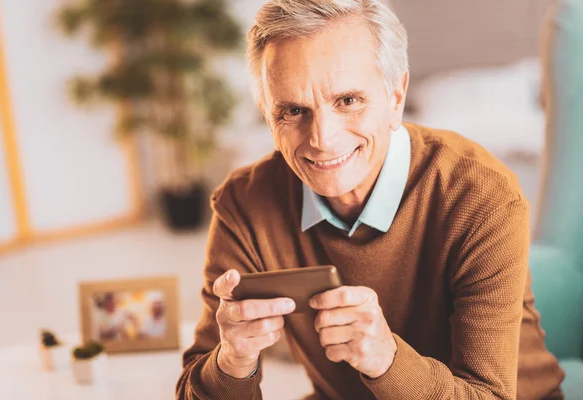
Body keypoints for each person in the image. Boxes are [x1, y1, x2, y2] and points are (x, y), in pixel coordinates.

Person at [176, 1, 565, 399]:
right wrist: (231, 362)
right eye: (294, 110)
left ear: (396, 96)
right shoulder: (244, 203)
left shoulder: (481, 194)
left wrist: (386, 360)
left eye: (348, 100)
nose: (322, 139)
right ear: (267, 113)